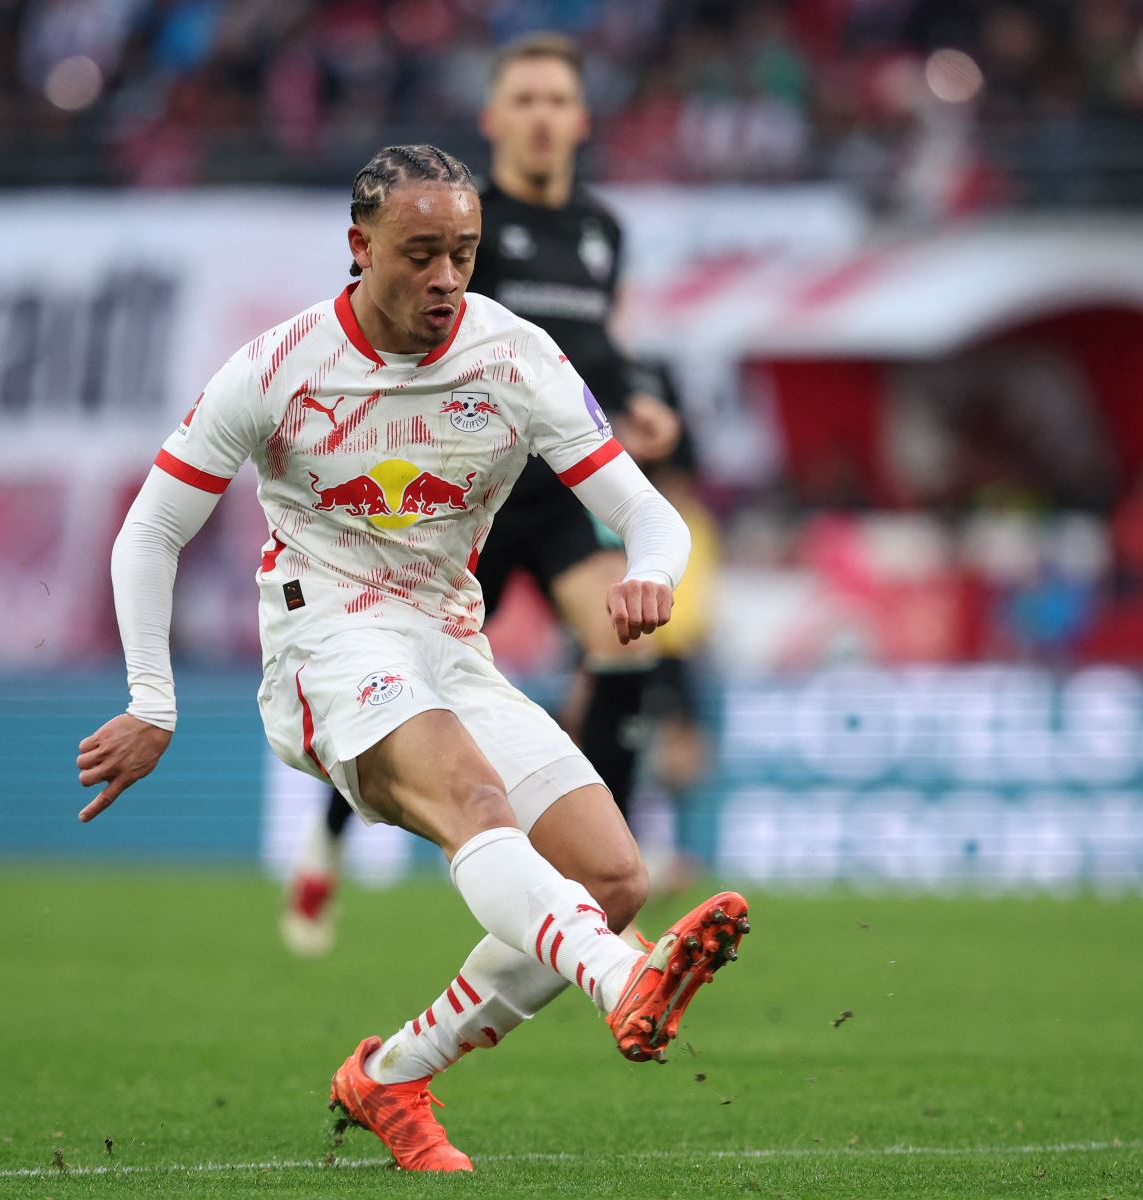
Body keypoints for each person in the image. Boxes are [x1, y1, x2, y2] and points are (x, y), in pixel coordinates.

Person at [74, 144, 749, 1172]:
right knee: (478, 806)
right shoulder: (278, 367)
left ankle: (390, 1077)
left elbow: (649, 517)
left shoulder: (513, 357)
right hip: (325, 640)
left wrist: (650, 569)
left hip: (449, 645)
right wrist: (151, 700)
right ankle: (624, 984)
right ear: (360, 248)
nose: (445, 278)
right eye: (420, 253)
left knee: (611, 874)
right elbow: (150, 530)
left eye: (463, 255)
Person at [282, 32, 683, 957]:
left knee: (625, 657)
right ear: (494, 117)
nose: (542, 118)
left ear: (580, 121)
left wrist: (640, 403)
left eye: (558, 101)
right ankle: (326, 840)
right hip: (457, 504)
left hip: (551, 497)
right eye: (526, 100)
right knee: (405, 680)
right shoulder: (462, 226)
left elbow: (595, 350)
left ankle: (600, 874)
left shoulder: (600, 232)